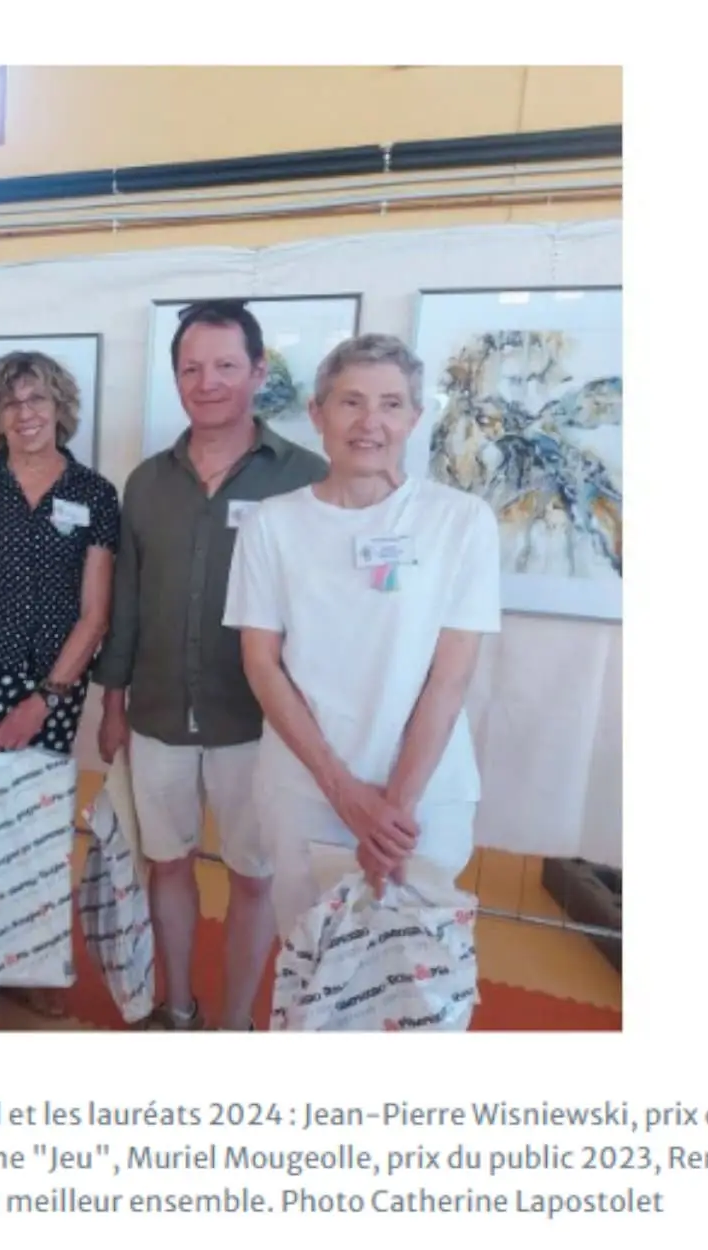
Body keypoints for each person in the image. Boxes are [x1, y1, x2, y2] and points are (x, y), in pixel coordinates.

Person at [91, 300, 328, 1031]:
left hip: (259, 721)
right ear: (175, 377)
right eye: (192, 367)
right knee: (168, 864)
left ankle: (235, 1025)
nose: (209, 381)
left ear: (259, 371)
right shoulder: (146, 482)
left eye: (226, 365)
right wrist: (112, 701)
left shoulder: (306, 478)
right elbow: (126, 599)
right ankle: (179, 1006)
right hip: (159, 710)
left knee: (256, 877)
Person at [223, 334, 501, 952]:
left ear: (414, 417)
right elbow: (261, 664)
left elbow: (450, 677)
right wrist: (345, 795)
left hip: (424, 801)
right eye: (350, 402)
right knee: (314, 966)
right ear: (318, 414)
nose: (370, 422)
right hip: (305, 791)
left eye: (391, 404)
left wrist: (390, 814)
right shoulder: (273, 523)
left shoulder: (461, 522)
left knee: (415, 978)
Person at [0, 351, 120, 1028]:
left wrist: (45, 697)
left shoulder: (96, 494)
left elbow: (95, 614)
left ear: (60, 407)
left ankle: (27, 966)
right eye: (12, 403)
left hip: (56, 691)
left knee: (38, 838)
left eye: (37, 399)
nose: (26, 414)